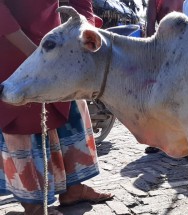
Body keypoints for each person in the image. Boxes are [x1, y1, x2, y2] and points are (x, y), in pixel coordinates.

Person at [0, 1, 113, 214]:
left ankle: (74, 189)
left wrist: (86, 33)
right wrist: (36, 55)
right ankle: (34, 205)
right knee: (23, 116)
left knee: (71, 108)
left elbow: (82, 3)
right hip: (12, 45)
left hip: (55, 45)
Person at [144, 0, 184, 154]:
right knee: (159, 97)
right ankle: (157, 140)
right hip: (163, 51)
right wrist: (152, 52)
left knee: (182, 97)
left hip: (185, 50)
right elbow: (150, 27)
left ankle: (184, 140)